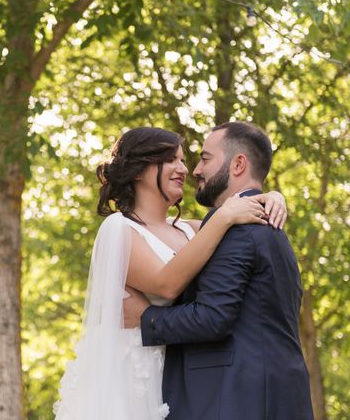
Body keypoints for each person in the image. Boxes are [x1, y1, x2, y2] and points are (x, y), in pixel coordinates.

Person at [54, 126, 287, 420]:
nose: (184, 169)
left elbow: (241, 222)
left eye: (182, 159)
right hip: (133, 379)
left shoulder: (191, 230)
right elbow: (166, 284)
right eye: (171, 160)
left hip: (182, 378)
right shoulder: (120, 230)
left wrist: (273, 197)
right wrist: (225, 214)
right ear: (138, 170)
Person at [126, 122, 314, 419]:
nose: (194, 169)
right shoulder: (256, 225)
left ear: (238, 164)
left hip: (238, 398)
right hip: (277, 392)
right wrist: (270, 196)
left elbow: (213, 317)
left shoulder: (236, 230)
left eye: (205, 158)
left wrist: (144, 318)